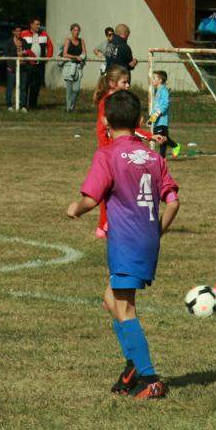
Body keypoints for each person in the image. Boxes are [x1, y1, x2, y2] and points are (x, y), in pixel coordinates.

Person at [65, 90, 180, 400]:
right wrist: (158, 231)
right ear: (140, 121)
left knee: (125, 307)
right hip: (146, 238)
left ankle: (151, 378)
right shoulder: (154, 156)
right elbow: (173, 201)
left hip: (125, 241)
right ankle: (132, 366)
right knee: (110, 299)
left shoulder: (108, 154)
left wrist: (75, 208)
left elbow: (91, 198)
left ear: (105, 122)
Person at [91, 65, 159, 239]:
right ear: (113, 83)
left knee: (118, 188)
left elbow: (129, 128)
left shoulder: (119, 102)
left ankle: (110, 224)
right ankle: (104, 225)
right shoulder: (108, 103)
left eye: (128, 82)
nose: (128, 85)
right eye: (125, 82)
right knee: (109, 189)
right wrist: (108, 149)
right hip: (111, 153)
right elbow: (104, 129)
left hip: (118, 151)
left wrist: (149, 136)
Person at [21, 18, 54, 109]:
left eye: (39, 24)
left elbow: (50, 46)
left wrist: (47, 57)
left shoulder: (44, 34)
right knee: (25, 85)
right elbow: (19, 46)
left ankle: (33, 105)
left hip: (39, 65)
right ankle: (23, 105)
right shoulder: (23, 34)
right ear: (31, 25)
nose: (38, 26)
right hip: (27, 64)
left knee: (36, 85)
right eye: (37, 24)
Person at [148, 70, 180, 158]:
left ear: (160, 80)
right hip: (157, 120)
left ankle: (173, 147)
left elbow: (165, 104)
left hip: (162, 120)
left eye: (154, 78)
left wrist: (157, 113)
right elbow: (157, 106)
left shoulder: (164, 90)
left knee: (161, 138)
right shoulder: (158, 91)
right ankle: (163, 157)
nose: (152, 80)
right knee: (161, 138)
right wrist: (151, 117)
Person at [1, 25, 31, 111]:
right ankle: (9, 105)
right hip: (12, 68)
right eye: (17, 31)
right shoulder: (9, 42)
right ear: (13, 32)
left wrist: (24, 52)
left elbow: (28, 52)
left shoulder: (24, 41)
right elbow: (6, 55)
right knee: (10, 86)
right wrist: (15, 56)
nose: (18, 33)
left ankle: (23, 106)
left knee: (23, 87)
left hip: (23, 67)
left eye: (20, 31)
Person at [61, 23, 86, 111]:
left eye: (78, 30)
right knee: (69, 89)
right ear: (71, 31)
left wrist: (82, 58)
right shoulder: (68, 40)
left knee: (76, 89)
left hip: (78, 67)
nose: (76, 32)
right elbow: (64, 54)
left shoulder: (81, 41)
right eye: (74, 30)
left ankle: (71, 106)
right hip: (69, 66)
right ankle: (69, 108)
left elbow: (84, 53)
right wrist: (75, 57)